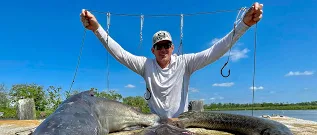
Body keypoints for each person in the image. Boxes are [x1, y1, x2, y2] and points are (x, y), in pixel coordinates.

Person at [80, 2, 263, 119]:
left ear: (173, 47)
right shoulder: (146, 65)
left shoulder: (185, 62)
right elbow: (119, 53)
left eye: (167, 45)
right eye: (159, 46)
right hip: (155, 124)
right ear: (153, 50)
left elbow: (214, 51)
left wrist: (243, 25)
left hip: (181, 123)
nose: (163, 49)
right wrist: (97, 29)